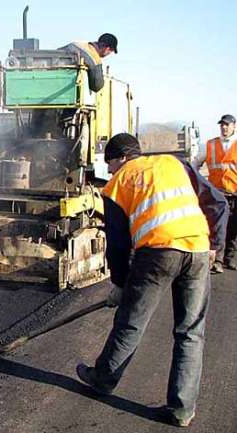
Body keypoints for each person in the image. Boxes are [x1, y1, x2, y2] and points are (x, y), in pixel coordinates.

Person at [76, 133, 228, 427]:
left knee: (131, 322)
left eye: (110, 165)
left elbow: (118, 244)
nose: (109, 172)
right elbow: (218, 203)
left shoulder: (118, 183)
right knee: (190, 332)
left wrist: (120, 284)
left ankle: (103, 379)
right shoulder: (177, 164)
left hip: (158, 252)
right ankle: (182, 410)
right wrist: (214, 246)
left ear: (121, 158)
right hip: (196, 250)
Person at [194, 114, 237, 273]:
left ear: (233, 126)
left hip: (235, 192)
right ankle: (217, 261)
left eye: (227, 125)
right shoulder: (210, 145)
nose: (224, 128)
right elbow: (195, 165)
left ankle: (230, 259)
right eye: (222, 125)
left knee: (234, 228)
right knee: (219, 227)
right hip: (217, 194)